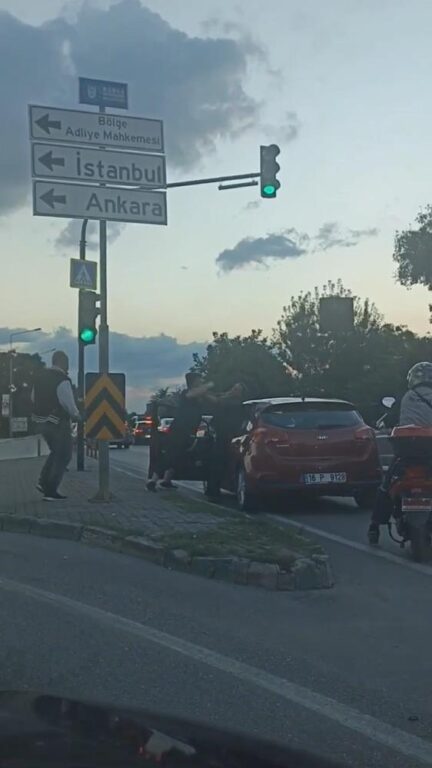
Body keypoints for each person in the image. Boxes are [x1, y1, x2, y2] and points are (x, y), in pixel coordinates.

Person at [368, 361, 432, 544]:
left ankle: (374, 527)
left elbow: (387, 420)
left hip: (407, 453)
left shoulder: (406, 397)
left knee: (386, 486)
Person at [32, 350, 81, 501]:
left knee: (55, 452)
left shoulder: (39, 378)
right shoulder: (62, 379)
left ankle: (43, 481)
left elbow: (33, 398)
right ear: (63, 363)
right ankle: (50, 489)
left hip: (41, 422)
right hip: (58, 422)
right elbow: (68, 404)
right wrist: (78, 417)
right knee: (64, 455)